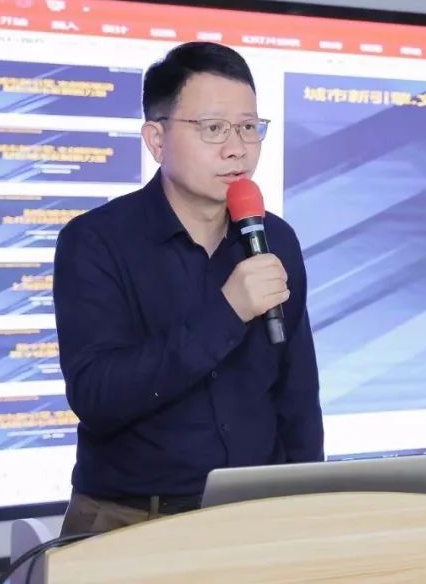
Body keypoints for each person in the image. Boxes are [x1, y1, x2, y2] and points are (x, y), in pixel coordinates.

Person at [54, 41, 324, 536]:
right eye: (213, 128)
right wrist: (226, 311)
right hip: (130, 521)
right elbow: (97, 396)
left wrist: (311, 513)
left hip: (255, 518)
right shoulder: (95, 241)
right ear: (156, 139)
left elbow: (298, 395)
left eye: (249, 128)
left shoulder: (274, 239)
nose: (237, 148)